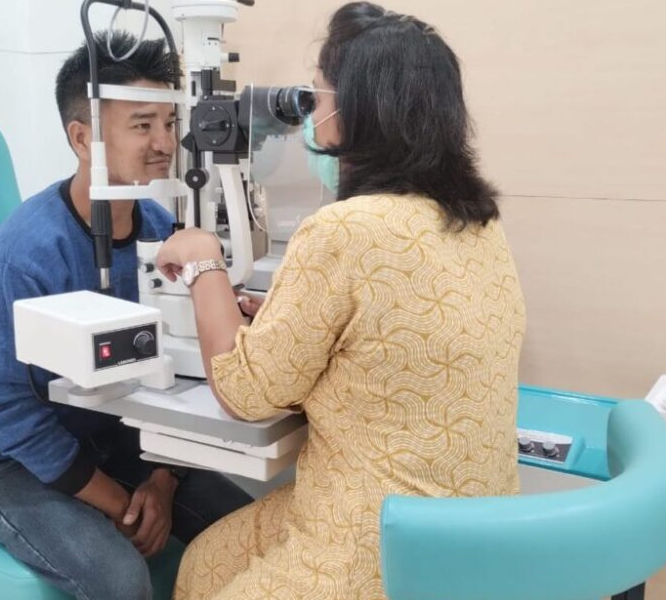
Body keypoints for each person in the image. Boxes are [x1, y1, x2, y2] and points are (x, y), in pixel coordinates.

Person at [157, 3, 527, 599]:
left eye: (318, 92)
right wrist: (289, 321)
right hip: (476, 530)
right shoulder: (478, 223)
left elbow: (246, 395)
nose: (310, 108)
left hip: (380, 543)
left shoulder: (345, 230)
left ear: (359, 108)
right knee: (205, 562)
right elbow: (392, 336)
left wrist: (204, 260)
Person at [0, 32, 252, 600]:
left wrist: (163, 480)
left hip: (122, 445)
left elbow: (178, 370)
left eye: (169, 122)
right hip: (11, 465)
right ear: (82, 137)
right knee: (121, 579)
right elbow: (7, 411)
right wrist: (122, 504)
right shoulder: (20, 255)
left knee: (247, 540)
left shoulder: (161, 229)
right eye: (142, 125)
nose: (164, 142)